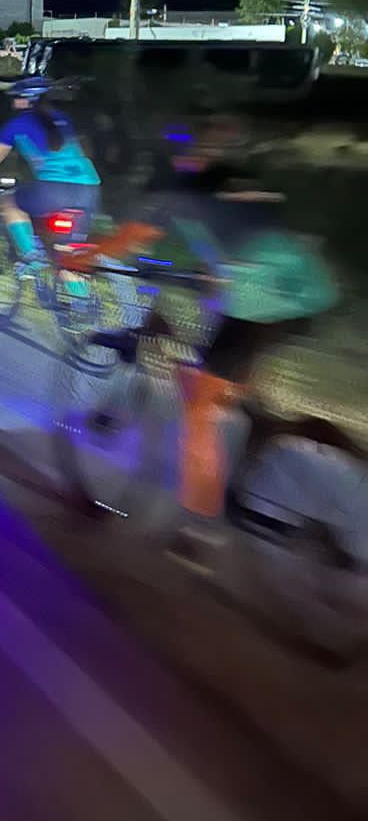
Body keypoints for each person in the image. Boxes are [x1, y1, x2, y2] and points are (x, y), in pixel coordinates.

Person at [87, 119, 340, 572]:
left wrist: (80, 256)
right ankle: (254, 467)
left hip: (257, 302)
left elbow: (131, 238)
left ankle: (199, 530)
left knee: (200, 408)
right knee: (231, 381)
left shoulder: (181, 190)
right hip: (302, 294)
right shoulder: (236, 184)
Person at [0, 76, 101, 255]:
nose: (13, 103)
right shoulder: (64, 119)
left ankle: (31, 258)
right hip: (89, 191)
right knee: (67, 255)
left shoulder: (17, 124)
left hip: (52, 190)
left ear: (25, 100)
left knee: (9, 201)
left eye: (16, 98)